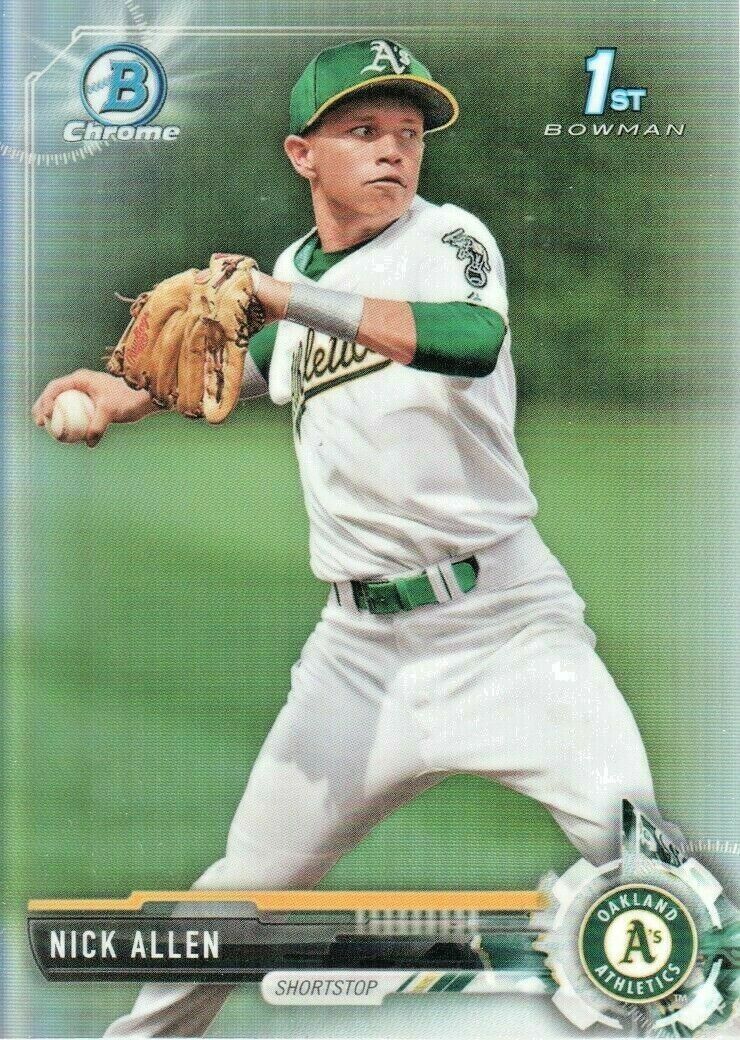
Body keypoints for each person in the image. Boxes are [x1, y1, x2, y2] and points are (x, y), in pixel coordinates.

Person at [33, 38, 667, 1038]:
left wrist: (284, 297)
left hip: (507, 630)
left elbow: (470, 339)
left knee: (647, 878)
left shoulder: (447, 237)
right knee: (239, 893)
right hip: (358, 659)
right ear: (302, 155)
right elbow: (260, 362)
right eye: (362, 130)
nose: (392, 150)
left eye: (409, 133)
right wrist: (125, 394)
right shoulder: (298, 271)